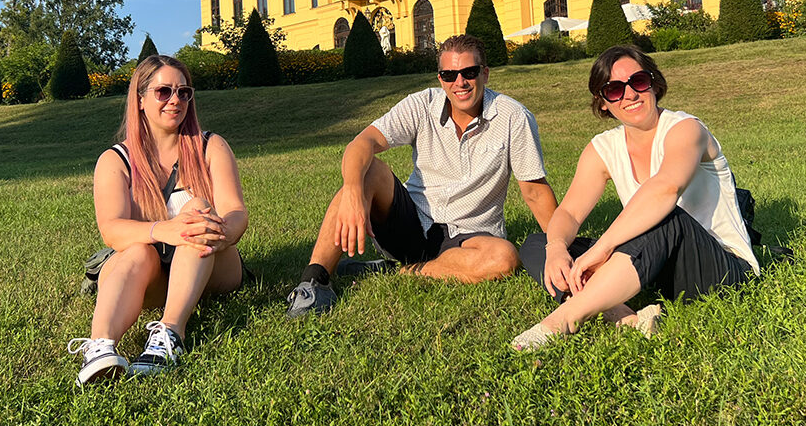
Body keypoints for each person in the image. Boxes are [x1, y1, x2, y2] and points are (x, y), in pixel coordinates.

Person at [285, 34, 558, 317]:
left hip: (470, 235)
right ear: (440, 79)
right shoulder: (422, 104)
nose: (459, 82)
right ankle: (313, 283)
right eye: (449, 74)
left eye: (469, 72)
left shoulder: (513, 117)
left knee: (504, 258)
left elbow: (535, 192)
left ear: (485, 74)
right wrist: (353, 191)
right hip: (413, 221)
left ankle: (403, 271)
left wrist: (562, 245)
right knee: (370, 170)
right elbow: (362, 143)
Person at [511, 45, 758, 350]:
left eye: (638, 82)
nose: (629, 95)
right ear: (603, 103)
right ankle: (621, 314)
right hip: (655, 267)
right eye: (614, 89)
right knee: (538, 243)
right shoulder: (604, 148)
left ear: (654, 84)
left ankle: (561, 320)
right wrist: (558, 247)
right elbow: (570, 213)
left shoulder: (686, 129)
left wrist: (603, 248)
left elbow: (665, 189)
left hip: (720, 267)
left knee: (665, 215)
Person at [67, 55, 248, 384]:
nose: (175, 100)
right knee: (137, 250)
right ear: (140, 99)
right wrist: (168, 231)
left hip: (211, 265)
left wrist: (216, 231)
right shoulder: (115, 160)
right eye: (163, 92)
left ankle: (169, 337)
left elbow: (236, 212)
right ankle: (100, 348)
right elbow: (112, 230)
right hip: (148, 274)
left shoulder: (211, 146)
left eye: (183, 92)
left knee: (198, 214)